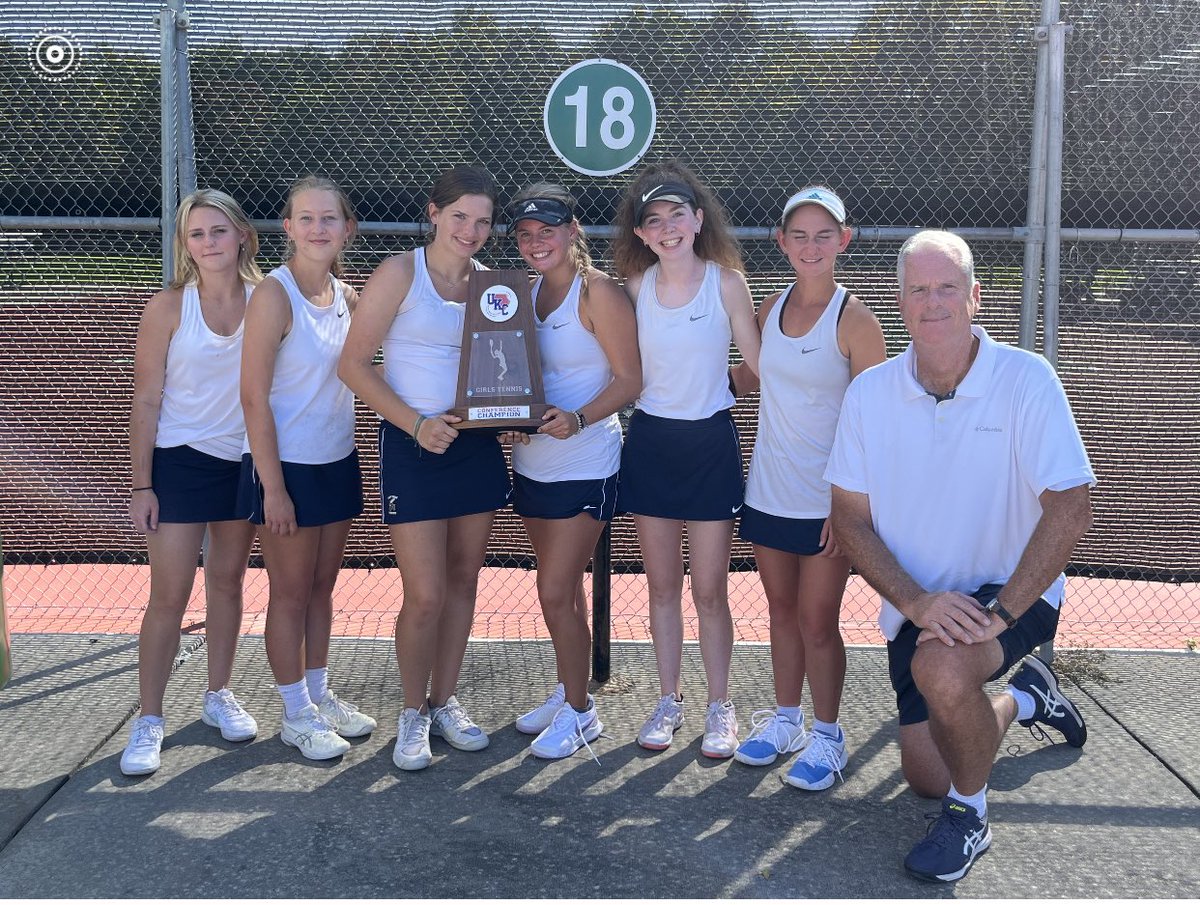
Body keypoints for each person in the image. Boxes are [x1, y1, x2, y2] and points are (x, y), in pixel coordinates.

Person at [825, 230, 1095, 882]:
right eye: (918, 289)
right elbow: (849, 518)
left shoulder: (1027, 379)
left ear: (975, 296)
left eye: (948, 287)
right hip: (920, 599)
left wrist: (1000, 612)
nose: (933, 301)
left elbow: (1071, 506)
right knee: (926, 773)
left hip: (1012, 590)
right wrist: (916, 601)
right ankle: (1027, 700)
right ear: (900, 301)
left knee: (944, 671)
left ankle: (970, 818)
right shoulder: (869, 395)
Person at [338, 166, 509, 772]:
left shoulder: (496, 286)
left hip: (474, 446)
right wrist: (415, 423)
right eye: (460, 215)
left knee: (464, 584)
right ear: (433, 212)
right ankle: (411, 713)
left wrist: (494, 410)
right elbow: (354, 365)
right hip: (412, 445)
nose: (471, 229)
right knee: (426, 593)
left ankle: (443, 702)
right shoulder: (398, 272)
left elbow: (505, 372)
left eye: (483, 220)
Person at [730, 187, 886, 789]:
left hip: (827, 506)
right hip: (768, 492)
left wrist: (847, 509)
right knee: (780, 612)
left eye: (825, 235)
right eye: (800, 235)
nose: (812, 245)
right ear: (782, 242)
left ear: (844, 241)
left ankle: (828, 735)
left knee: (819, 622)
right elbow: (745, 378)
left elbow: (874, 423)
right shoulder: (769, 308)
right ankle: (787, 719)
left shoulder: (857, 320)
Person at [611, 161, 761, 758]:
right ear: (642, 235)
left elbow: (759, 363)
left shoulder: (727, 283)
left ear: (698, 220)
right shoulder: (633, 287)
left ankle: (719, 707)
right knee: (663, 587)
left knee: (710, 592)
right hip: (650, 444)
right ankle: (669, 699)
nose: (668, 228)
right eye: (654, 221)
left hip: (709, 448)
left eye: (678, 215)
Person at [121, 189, 263, 776]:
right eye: (197, 234)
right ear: (186, 245)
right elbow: (147, 399)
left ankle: (217, 695)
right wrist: (142, 485)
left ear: (242, 236)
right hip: (178, 462)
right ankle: (148, 718)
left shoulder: (266, 300)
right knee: (169, 596)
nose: (209, 243)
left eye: (219, 231)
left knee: (227, 584)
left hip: (243, 462)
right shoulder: (168, 306)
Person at [239, 175, 377, 762]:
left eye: (330, 218)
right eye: (306, 218)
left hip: (335, 461)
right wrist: (273, 487)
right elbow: (252, 397)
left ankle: (318, 694)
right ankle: (294, 711)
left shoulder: (348, 298)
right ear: (288, 227)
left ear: (348, 228)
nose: (318, 229)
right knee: (290, 593)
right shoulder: (273, 295)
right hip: (286, 468)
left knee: (322, 588)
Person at [502, 184, 641, 760]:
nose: (537, 242)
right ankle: (568, 690)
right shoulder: (516, 295)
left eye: (548, 230)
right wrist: (504, 423)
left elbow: (631, 379)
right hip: (533, 463)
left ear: (573, 232)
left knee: (555, 590)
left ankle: (584, 713)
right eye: (526, 234)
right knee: (564, 594)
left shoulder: (599, 293)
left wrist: (579, 419)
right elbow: (505, 379)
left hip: (587, 461)